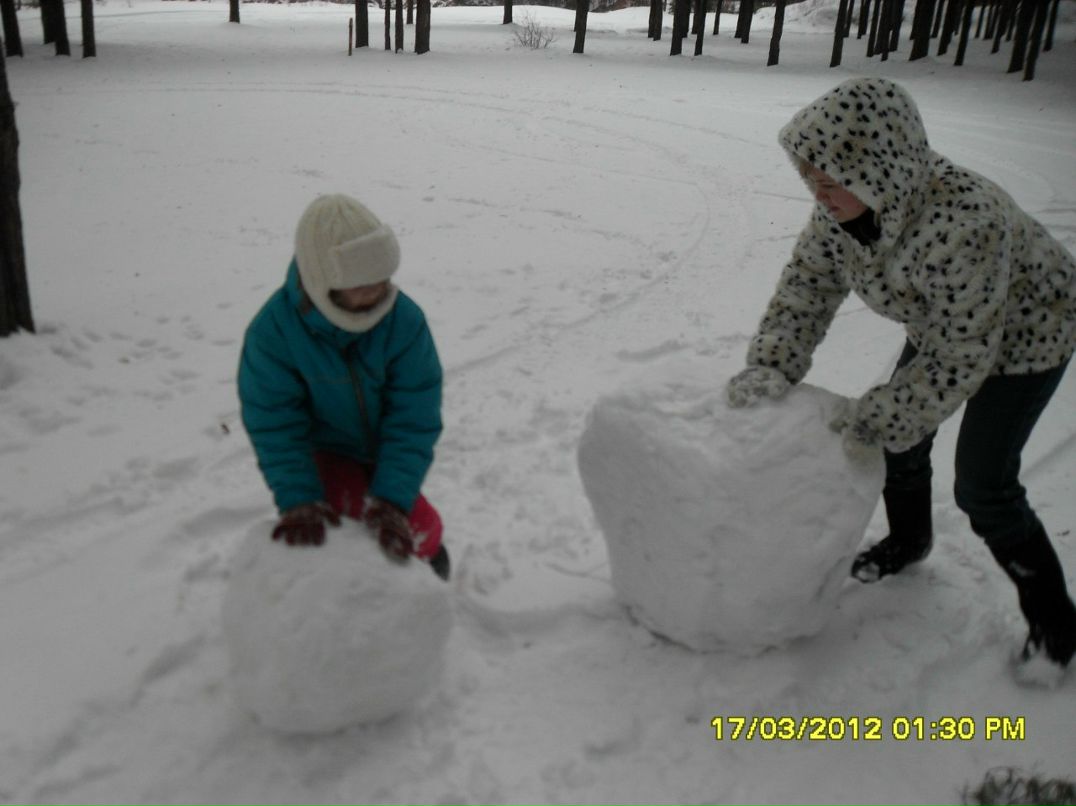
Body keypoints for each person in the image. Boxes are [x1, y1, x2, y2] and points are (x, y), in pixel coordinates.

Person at [726, 77, 1075, 675]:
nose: (818, 192)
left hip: (1029, 336)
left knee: (984, 488)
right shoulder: (838, 217)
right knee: (901, 441)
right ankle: (910, 540)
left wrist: (887, 412)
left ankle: (1057, 629)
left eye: (831, 180)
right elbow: (807, 289)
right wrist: (772, 365)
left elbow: (965, 352)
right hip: (948, 328)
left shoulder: (968, 221)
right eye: (809, 176)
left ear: (878, 170)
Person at [238, 193, 449, 581]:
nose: (376, 292)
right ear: (323, 282)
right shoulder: (274, 334)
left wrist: (392, 499)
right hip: (327, 452)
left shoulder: (404, 322)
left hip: (386, 445)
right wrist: (298, 497)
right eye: (361, 285)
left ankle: (431, 573)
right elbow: (275, 425)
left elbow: (414, 417)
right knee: (344, 522)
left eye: (382, 280)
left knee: (422, 528)